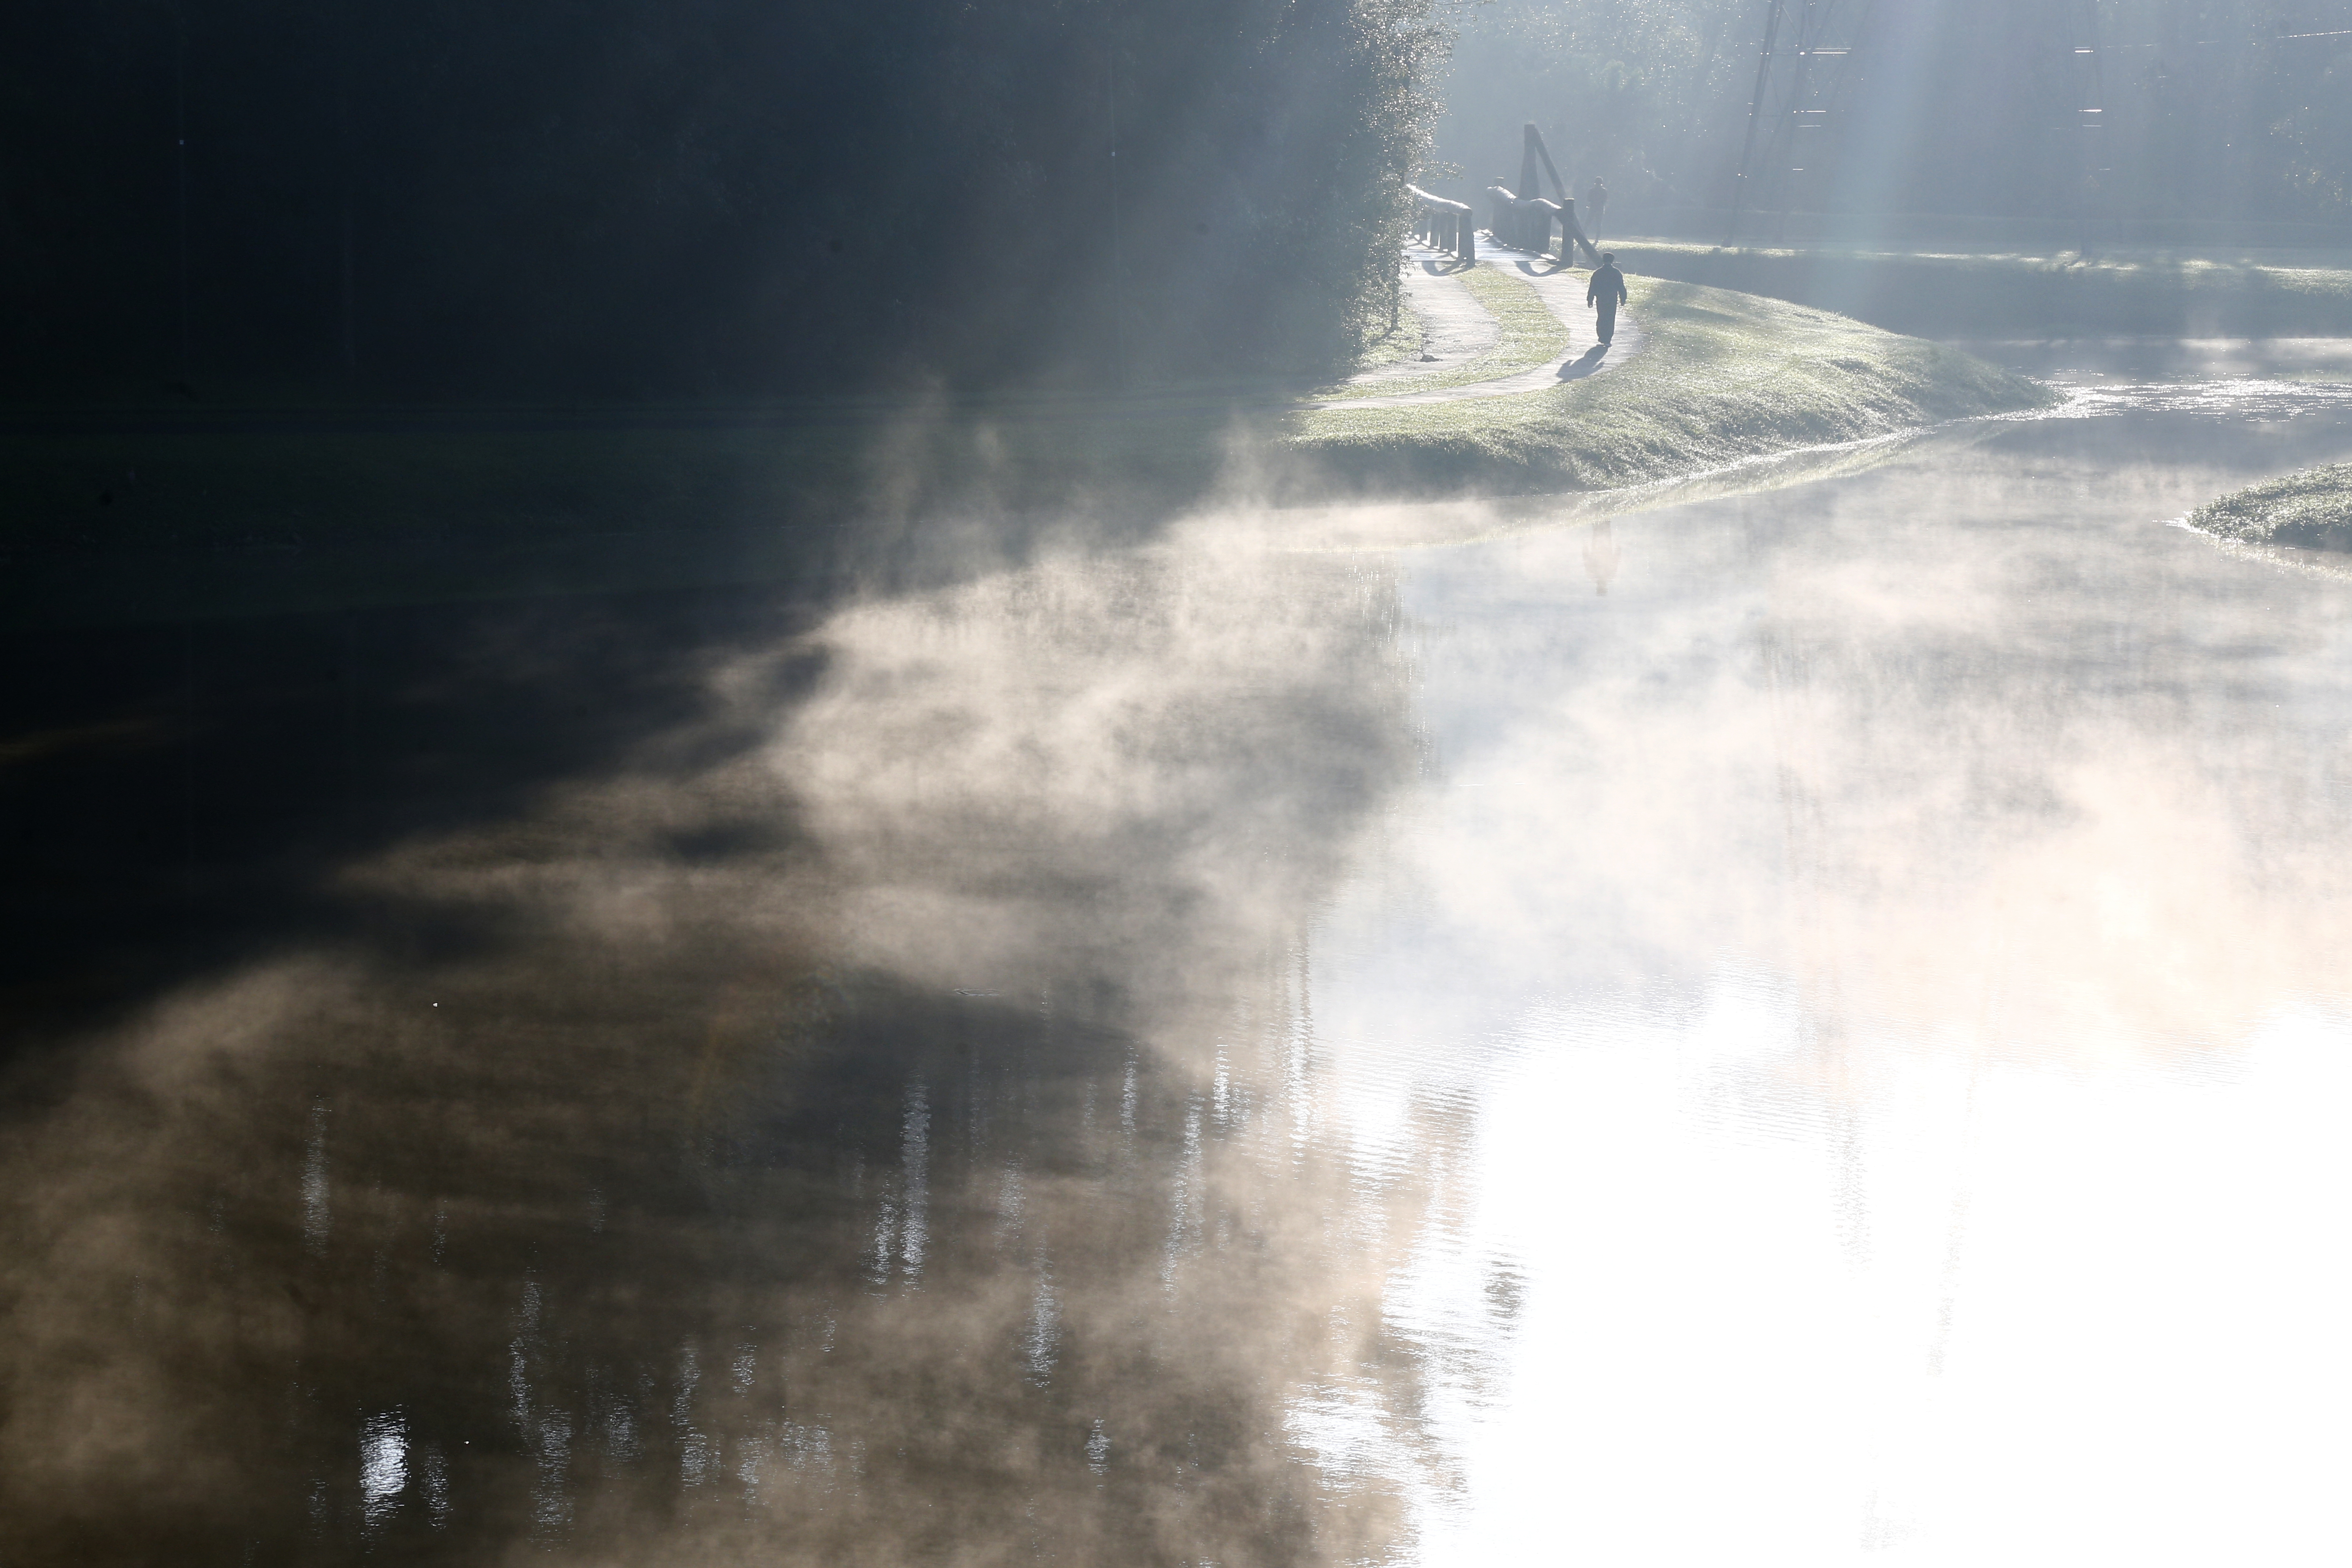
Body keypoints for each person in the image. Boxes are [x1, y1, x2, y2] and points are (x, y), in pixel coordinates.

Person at [1587, 251, 1628, 347]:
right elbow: (1621, 287)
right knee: (1610, 318)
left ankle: (1601, 336)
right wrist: (1623, 299)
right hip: (1612, 299)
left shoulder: (1598, 272)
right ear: (1613, 261)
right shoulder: (1616, 273)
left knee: (1601, 317)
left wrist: (1590, 299)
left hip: (1601, 299)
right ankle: (1608, 338)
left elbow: (1592, 287)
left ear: (1603, 260)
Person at [1584, 176, 1610, 243]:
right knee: (1599, 224)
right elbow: (1605, 200)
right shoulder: (1604, 191)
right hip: (1600, 208)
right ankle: (1597, 238)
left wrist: (1594, 201)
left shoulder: (1592, 190)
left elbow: (1588, 199)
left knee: (1588, 223)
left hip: (1592, 208)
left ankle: (1583, 236)